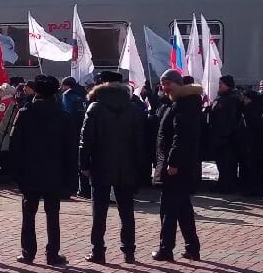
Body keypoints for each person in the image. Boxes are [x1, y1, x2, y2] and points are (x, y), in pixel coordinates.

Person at [80, 71, 149, 263]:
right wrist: (139, 166)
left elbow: (86, 141)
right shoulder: (133, 108)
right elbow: (139, 142)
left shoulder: (95, 107)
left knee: (99, 210)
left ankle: (98, 251)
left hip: (100, 164)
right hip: (127, 165)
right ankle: (129, 251)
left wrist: (84, 164)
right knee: (127, 210)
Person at [10, 75, 76, 265]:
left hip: (29, 171)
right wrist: (70, 177)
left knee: (28, 214)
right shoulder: (63, 116)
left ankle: (28, 252)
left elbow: (16, 146)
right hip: (54, 172)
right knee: (53, 214)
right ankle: (52, 254)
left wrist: (16, 173)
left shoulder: (25, 113)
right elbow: (70, 150)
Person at [153, 69, 204, 261]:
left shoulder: (184, 105)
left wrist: (173, 162)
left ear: (177, 83)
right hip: (179, 164)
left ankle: (166, 249)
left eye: (168, 84)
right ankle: (192, 247)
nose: (165, 87)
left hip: (176, 166)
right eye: (163, 84)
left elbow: (180, 137)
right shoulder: (177, 103)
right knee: (183, 208)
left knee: (168, 209)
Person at [207, 75, 244, 193]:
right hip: (218, 135)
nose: (219, 86)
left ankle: (228, 185)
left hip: (227, 138)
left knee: (228, 163)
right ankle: (223, 183)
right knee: (221, 163)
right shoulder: (221, 97)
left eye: (221, 84)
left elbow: (231, 119)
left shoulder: (232, 98)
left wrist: (225, 135)